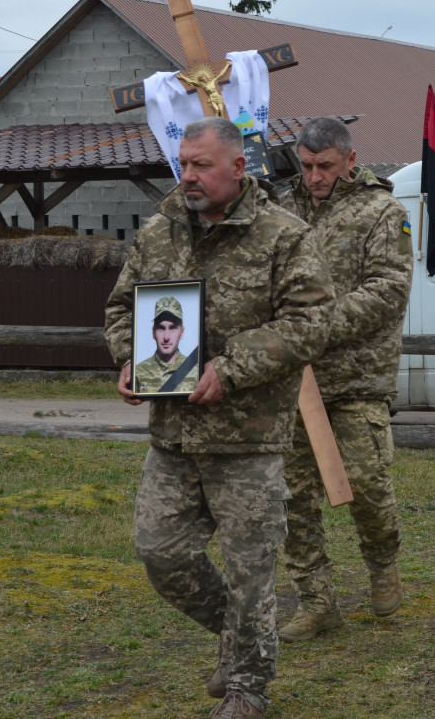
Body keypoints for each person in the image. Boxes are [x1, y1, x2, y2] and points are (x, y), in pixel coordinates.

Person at [103, 116, 335, 719]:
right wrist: (131, 360)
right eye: (184, 162)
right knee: (161, 552)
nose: (189, 175)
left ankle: (248, 690)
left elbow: (311, 325)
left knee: (251, 569)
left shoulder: (282, 235)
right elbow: (121, 307)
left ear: (239, 166)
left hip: (248, 436)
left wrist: (229, 370)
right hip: (174, 437)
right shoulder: (157, 233)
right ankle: (239, 642)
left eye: (202, 165)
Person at [265, 117, 413, 643]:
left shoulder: (383, 212)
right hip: (293, 380)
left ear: (350, 160)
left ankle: (382, 566)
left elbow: (388, 290)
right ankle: (316, 600)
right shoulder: (281, 210)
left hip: (356, 377)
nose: (314, 177)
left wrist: (317, 324)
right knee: (293, 495)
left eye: (324, 166)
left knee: (368, 484)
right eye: (305, 166)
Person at [133, 295, 200, 394]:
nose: (166, 337)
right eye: (161, 328)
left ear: (182, 332)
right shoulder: (138, 372)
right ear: (153, 332)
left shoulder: (196, 370)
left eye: (173, 328)